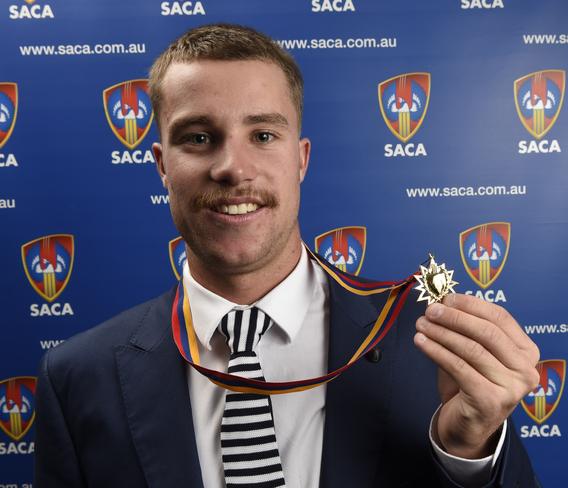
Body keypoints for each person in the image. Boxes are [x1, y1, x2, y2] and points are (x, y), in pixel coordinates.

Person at [35, 23, 541, 488]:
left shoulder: (426, 341)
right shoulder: (79, 376)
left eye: (263, 135)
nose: (233, 168)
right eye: (199, 138)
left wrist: (467, 448)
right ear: (163, 166)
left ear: (300, 160)